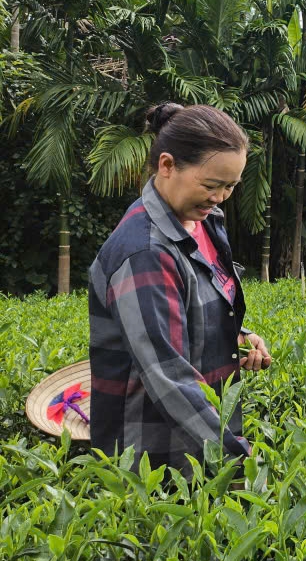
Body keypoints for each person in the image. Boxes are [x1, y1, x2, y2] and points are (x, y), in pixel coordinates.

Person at [89, 103, 272, 473]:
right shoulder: (145, 252)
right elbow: (167, 374)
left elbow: (189, 306)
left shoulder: (203, 221)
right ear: (167, 165)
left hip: (201, 436)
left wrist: (235, 334)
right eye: (211, 185)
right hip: (152, 454)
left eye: (230, 186)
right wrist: (238, 460)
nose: (220, 197)